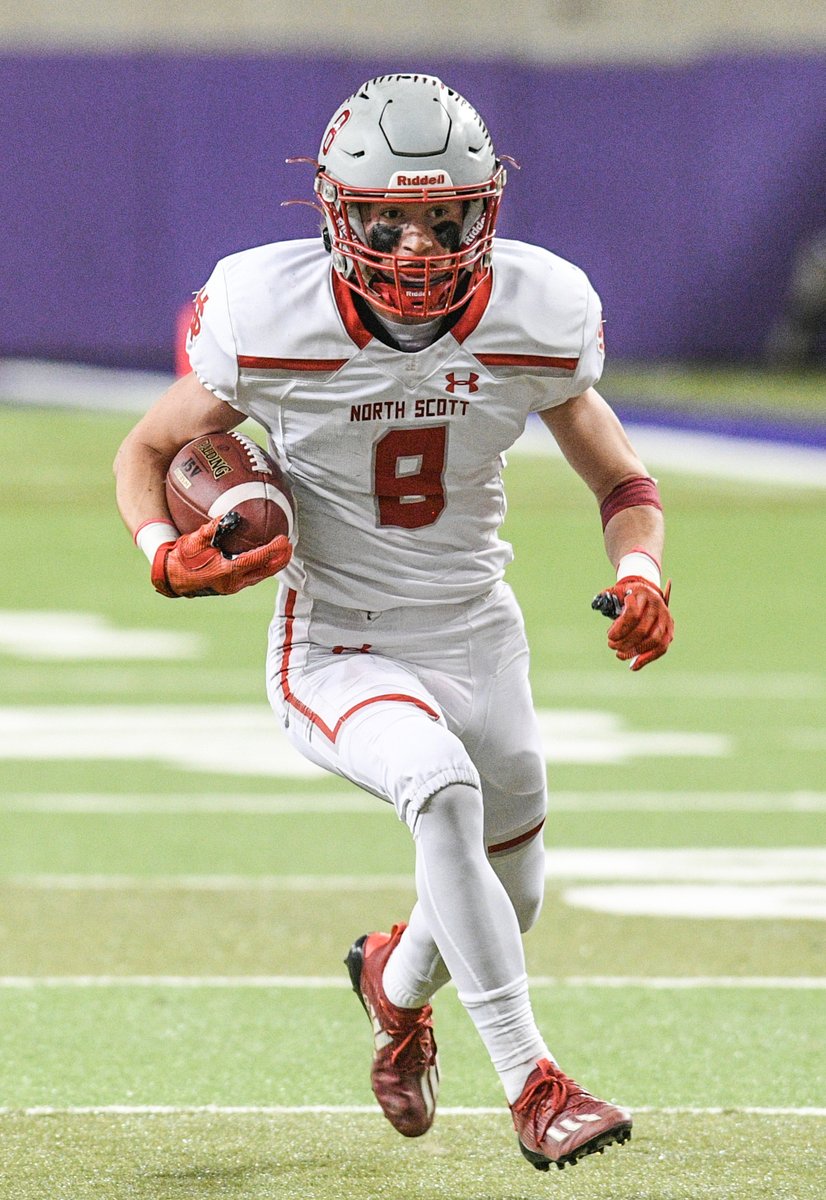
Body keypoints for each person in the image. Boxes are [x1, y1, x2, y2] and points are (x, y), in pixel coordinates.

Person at [114, 73, 673, 1171]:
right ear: (338, 214)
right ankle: (533, 1084)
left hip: (478, 626)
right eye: (387, 218)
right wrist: (162, 554)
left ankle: (394, 981)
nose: (415, 245)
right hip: (338, 640)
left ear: (485, 212)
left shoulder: (537, 309)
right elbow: (145, 450)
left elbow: (621, 480)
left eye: (442, 215)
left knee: (516, 888)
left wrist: (646, 571)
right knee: (442, 789)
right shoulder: (268, 312)